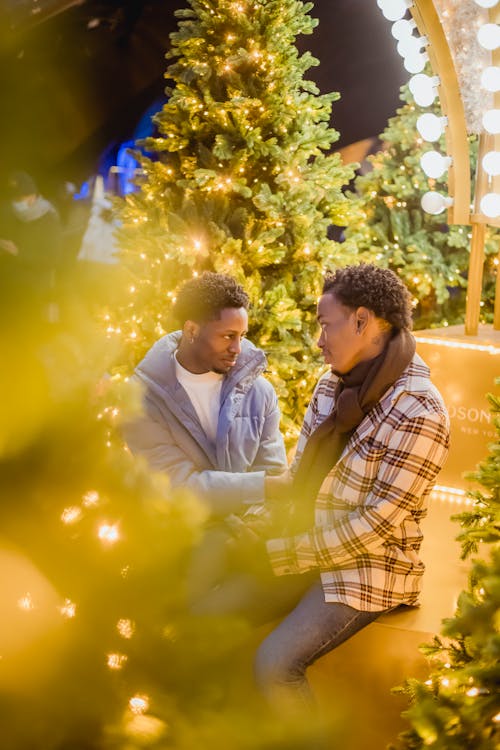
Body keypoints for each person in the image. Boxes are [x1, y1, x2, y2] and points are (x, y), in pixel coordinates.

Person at [250, 264, 451, 709]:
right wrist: (251, 527)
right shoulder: (329, 386)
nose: (319, 341)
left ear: (362, 321)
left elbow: (374, 527)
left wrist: (282, 554)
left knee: (274, 663)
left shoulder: (421, 412)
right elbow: (299, 474)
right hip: (307, 542)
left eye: (325, 325)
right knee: (212, 608)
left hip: (370, 570)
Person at [123, 271, 287, 603]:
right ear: (191, 330)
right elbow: (179, 488)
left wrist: (250, 531)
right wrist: (262, 490)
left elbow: (273, 469)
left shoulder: (259, 392)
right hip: (177, 539)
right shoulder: (142, 399)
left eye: (242, 335)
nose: (237, 348)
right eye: (228, 336)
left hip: (247, 537)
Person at [0, 170, 62, 315]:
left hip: (34, 292)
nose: (18, 202)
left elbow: (52, 259)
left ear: (33, 196)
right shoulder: (8, 213)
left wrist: (18, 253)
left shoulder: (49, 218)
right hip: (7, 289)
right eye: (16, 198)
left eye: (22, 197)